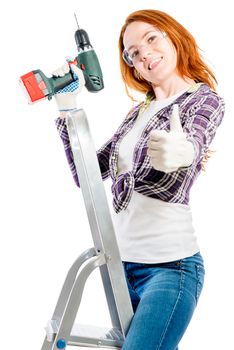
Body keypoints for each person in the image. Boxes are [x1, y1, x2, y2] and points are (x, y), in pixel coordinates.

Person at [52, 9, 225, 350]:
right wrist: (68, 109)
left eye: (151, 38)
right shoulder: (138, 114)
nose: (144, 53)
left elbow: (191, 146)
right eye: (132, 53)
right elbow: (86, 174)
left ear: (174, 37)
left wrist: (184, 153)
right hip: (122, 269)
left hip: (170, 270)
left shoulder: (202, 100)